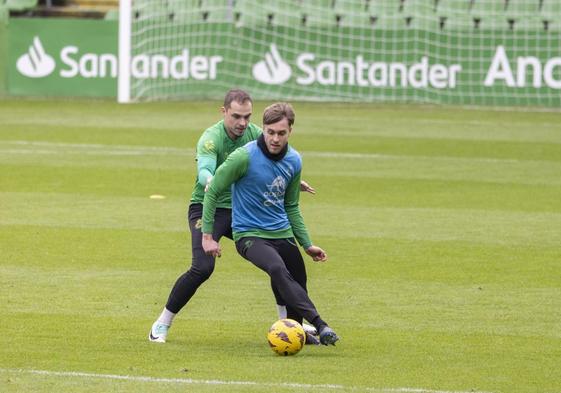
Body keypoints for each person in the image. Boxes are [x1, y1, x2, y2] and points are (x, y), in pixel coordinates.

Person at [149, 89, 317, 344]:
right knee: (202, 267)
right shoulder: (211, 138)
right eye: (236, 116)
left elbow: (272, 157)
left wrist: (292, 179)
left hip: (242, 211)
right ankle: (162, 323)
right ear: (223, 111)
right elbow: (205, 169)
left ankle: (288, 325)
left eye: (247, 117)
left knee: (279, 258)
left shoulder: (253, 134)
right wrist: (211, 181)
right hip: (209, 207)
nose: (242, 123)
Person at [201, 102, 339, 346]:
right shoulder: (243, 156)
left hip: (281, 233)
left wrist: (307, 245)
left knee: (298, 279)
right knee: (276, 267)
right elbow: (212, 192)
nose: (275, 138)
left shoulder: (294, 160)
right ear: (263, 129)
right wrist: (207, 236)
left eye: (281, 133)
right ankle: (320, 324)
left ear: (290, 131)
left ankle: (296, 334)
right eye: (270, 132)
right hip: (249, 235)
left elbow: (292, 206)